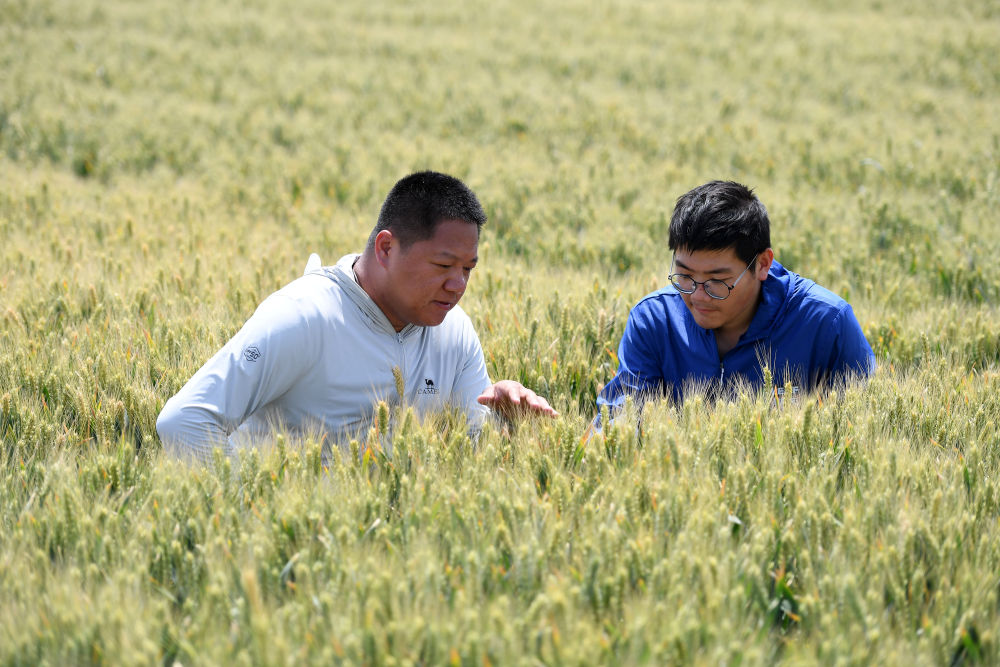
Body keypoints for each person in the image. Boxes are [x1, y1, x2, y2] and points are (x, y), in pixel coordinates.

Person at [157, 171, 556, 462]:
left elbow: (472, 452)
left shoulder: (455, 331)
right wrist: (262, 511)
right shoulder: (304, 317)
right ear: (386, 248)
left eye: (468, 268)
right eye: (443, 265)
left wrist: (510, 423)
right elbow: (184, 421)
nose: (458, 285)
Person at [597, 180, 874, 418]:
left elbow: (866, 422)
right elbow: (618, 425)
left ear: (762, 264)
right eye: (685, 276)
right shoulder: (653, 321)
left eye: (717, 281)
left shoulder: (827, 322)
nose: (698, 295)